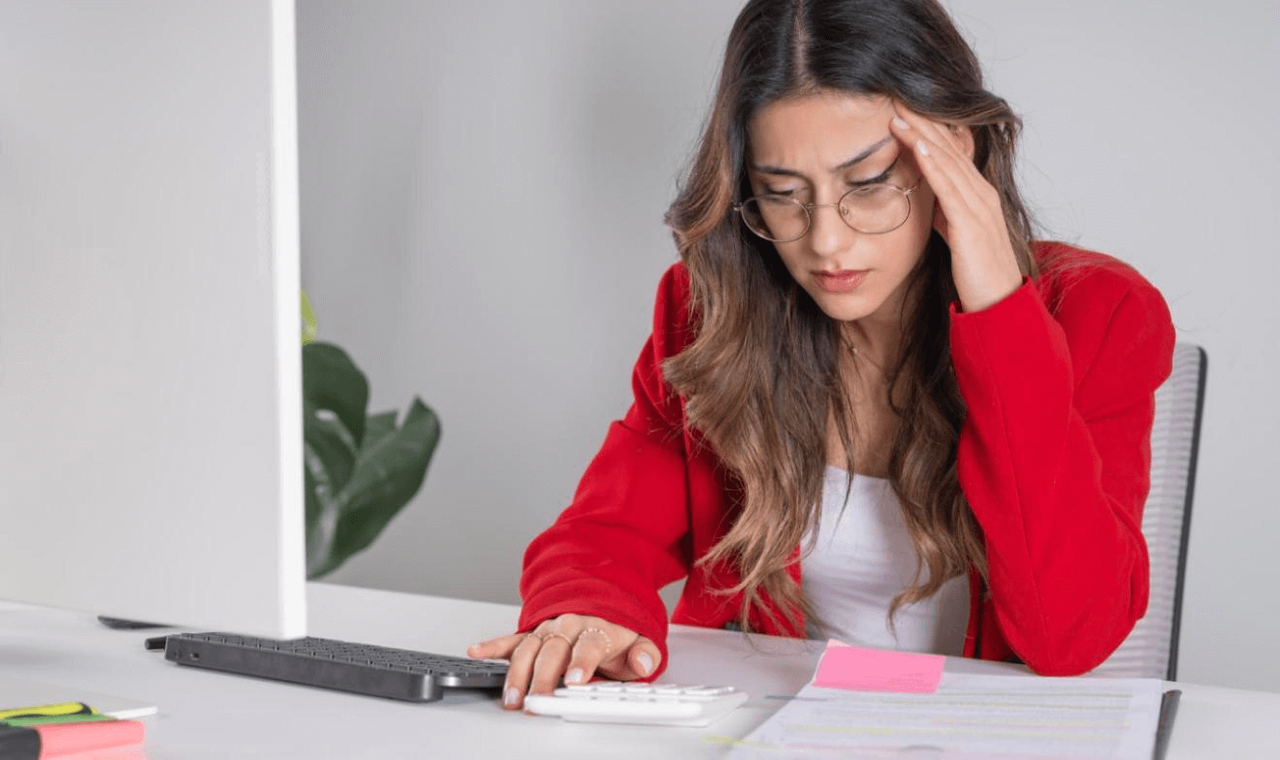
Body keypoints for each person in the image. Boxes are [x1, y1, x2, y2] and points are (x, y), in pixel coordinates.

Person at [469, 0, 1176, 711]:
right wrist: (588, 610)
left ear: (955, 154)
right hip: (764, 727)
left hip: (975, 735)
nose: (826, 242)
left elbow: (1071, 637)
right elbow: (604, 534)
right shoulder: (710, 312)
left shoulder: (1100, 313)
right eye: (782, 194)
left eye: (866, 186)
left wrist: (999, 313)